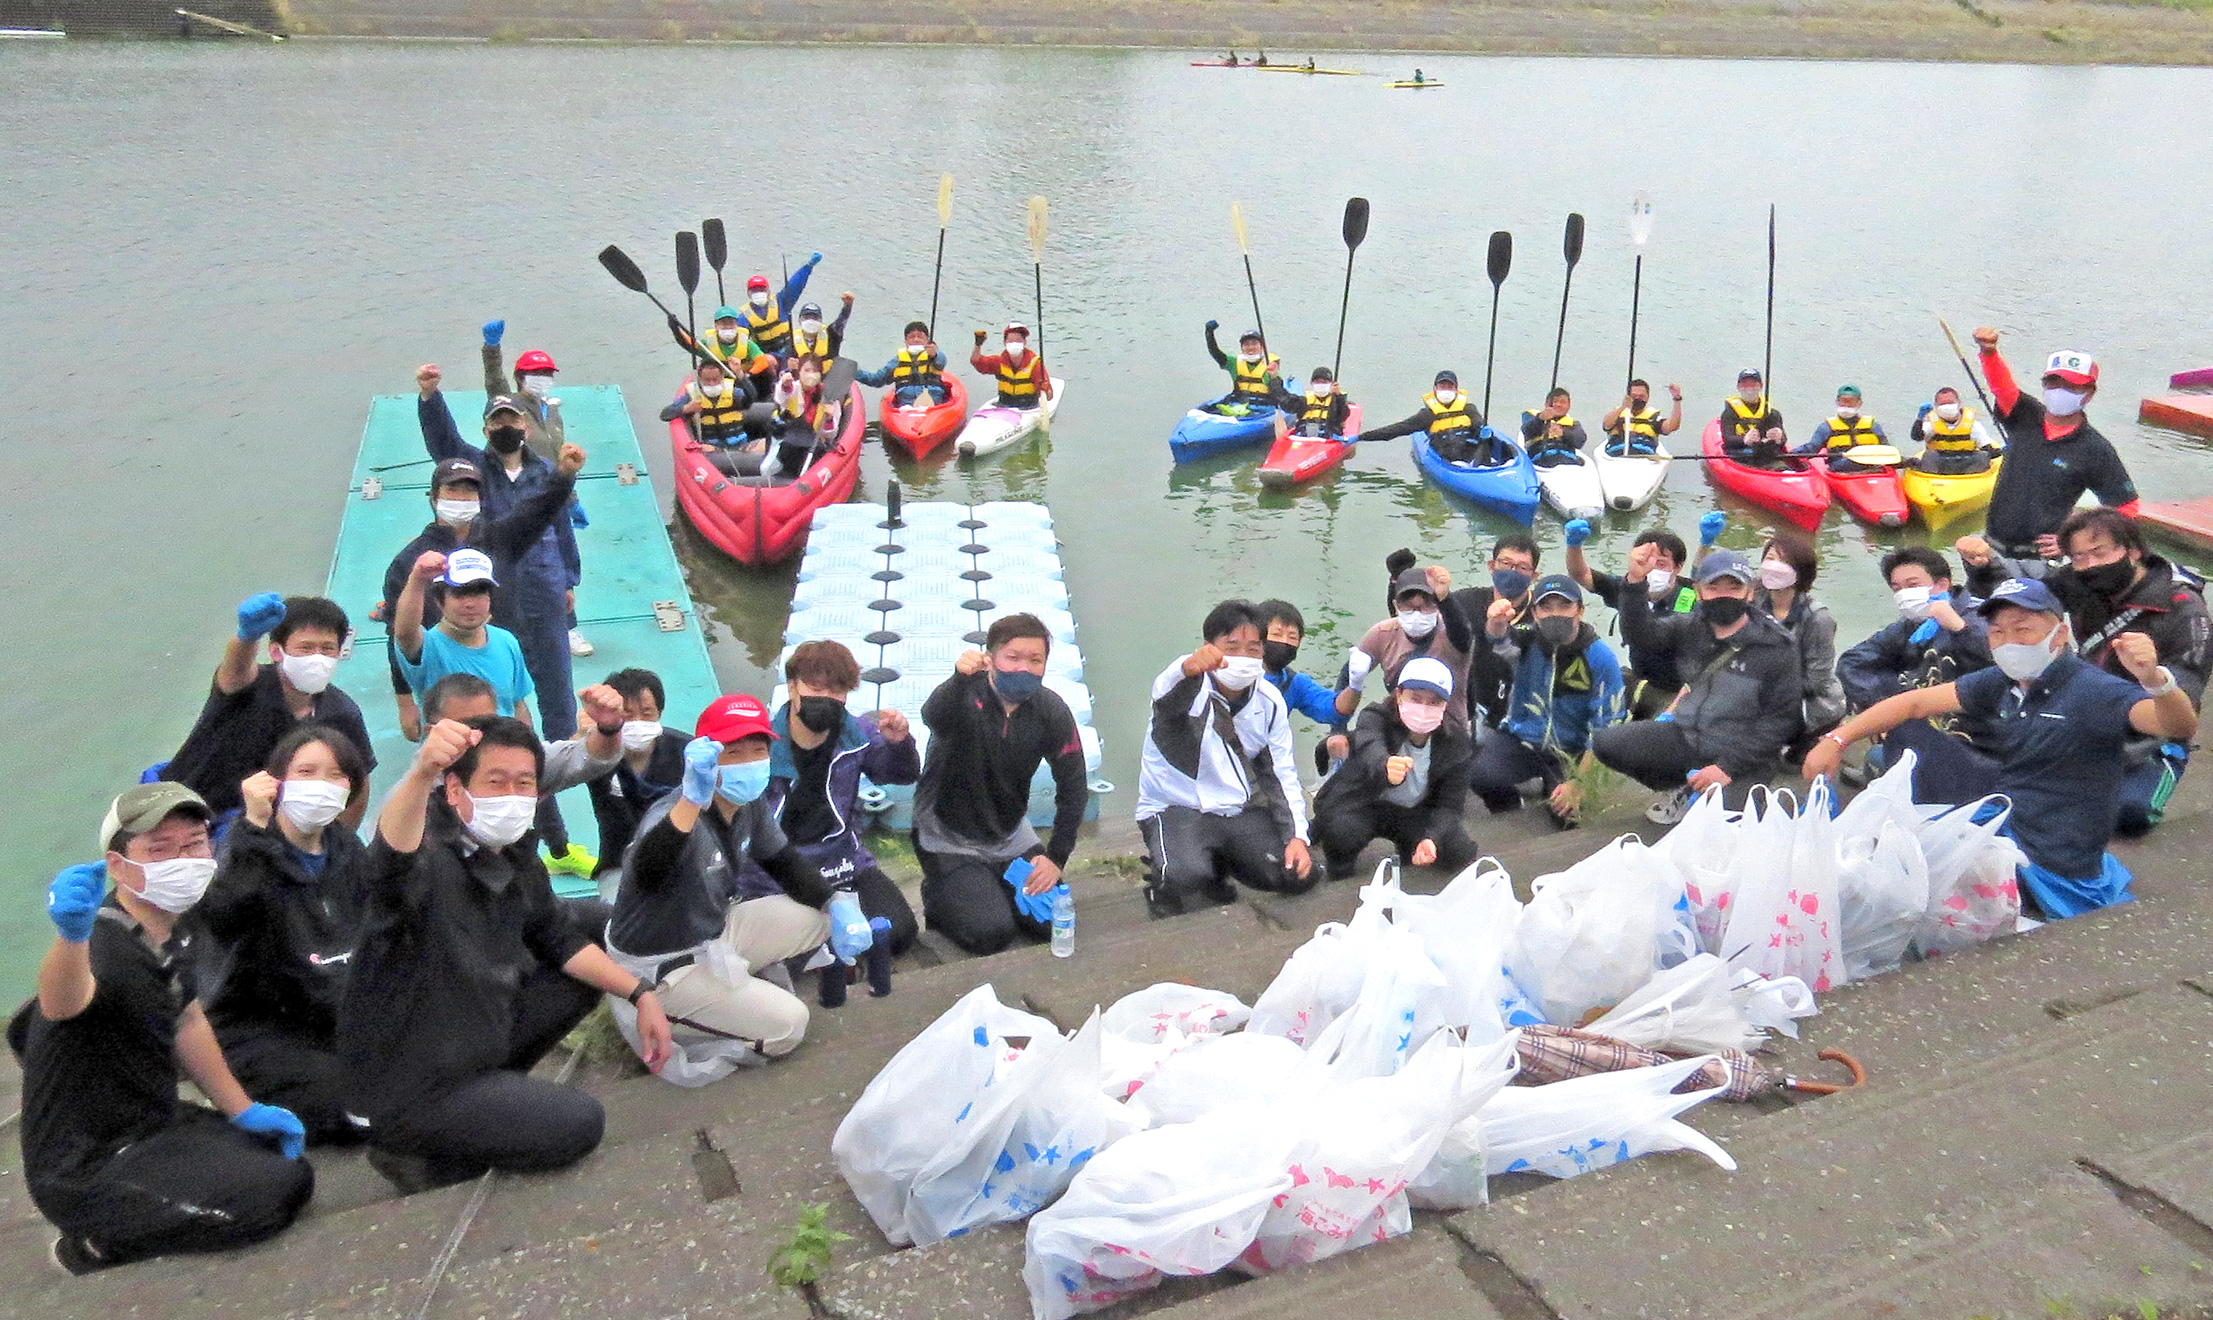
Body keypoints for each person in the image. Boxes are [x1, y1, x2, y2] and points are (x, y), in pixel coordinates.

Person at [340, 717, 672, 1192]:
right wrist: (419, 773)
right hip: (408, 1082)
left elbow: (555, 935)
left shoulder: (511, 850)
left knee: (583, 961)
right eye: (494, 782)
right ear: (453, 790)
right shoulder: (426, 854)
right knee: (579, 1123)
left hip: (466, 1042)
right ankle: (417, 1153)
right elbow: (392, 862)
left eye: (524, 783)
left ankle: (488, 1098)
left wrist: (642, 994)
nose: (511, 796)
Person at [12, 784, 312, 1273]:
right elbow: (61, 1003)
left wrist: (242, 1109)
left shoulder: (173, 927)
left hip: (154, 1122)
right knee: (269, 1201)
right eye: (159, 849)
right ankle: (92, 1245)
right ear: (117, 865)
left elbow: (186, 1017)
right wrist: (70, 936)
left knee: (279, 1159)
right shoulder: (105, 943)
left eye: (194, 843)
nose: (183, 859)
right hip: (89, 1163)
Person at [1804, 578, 2198, 918]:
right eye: (1997, 632)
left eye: (2023, 629)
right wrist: (1837, 739)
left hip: (2052, 856)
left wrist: (2156, 679)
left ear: (2059, 635)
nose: (2009, 642)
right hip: (2010, 818)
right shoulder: (2006, 679)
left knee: (1894, 892)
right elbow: (1914, 703)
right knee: (1907, 759)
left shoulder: (2094, 690)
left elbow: (2176, 724)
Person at [612, 695, 863, 1079]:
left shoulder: (747, 804)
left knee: (818, 916)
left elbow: (785, 863)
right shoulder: (675, 814)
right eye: (733, 752)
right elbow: (648, 873)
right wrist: (691, 801)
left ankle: (729, 997)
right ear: (706, 758)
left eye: (757, 750)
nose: (748, 762)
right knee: (790, 1026)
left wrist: (835, 901)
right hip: (660, 966)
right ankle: (679, 1023)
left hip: (712, 933)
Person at [1959, 507, 2210, 835]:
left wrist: (2155, 675)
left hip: (2148, 731)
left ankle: (2160, 769)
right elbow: (2020, 597)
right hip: (2085, 704)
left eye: (2099, 552)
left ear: (2132, 550)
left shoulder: (2185, 612)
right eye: (2078, 557)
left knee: (2126, 814)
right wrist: (1982, 565)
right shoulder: (2076, 580)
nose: (2089, 564)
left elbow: (2186, 698)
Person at [193, 727, 374, 1147]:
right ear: (276, 782)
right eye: (306, 772)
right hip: (260, 1030)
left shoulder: (345, 847)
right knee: (363, 1109)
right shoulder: (244, 849)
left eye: (336, 775)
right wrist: (254, 827)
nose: (320, 786)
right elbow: (222, 915)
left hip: (330, 1020)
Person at [416, 365, 582, 790]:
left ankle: (559, 758)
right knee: (502, 680)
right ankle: (499, 756)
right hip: (497, 591)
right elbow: (442, 443)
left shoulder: (544, 470)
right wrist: (431, 396)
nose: (506, 426)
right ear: (486, 428)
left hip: (545, 586)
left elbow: (558, 522)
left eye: (512, 419)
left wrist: (570, 579)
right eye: (497, 421)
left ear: (523, 424)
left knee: (557, 679)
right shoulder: (474, 465)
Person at [911, 614, 1091, 955]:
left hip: (1008, 834)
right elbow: (932, 716)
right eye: (1013, 657)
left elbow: (1074, 786)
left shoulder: (1050, 711)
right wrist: (957, 678)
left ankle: (988, 884)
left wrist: (1056, 857)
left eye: (1034, 660)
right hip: (947, 836)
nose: (1023, 668)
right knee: (991, 933)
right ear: (991, 659)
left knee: (1052, 922)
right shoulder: (964, 694)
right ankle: (938, 894)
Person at [378, 451, 582, 741]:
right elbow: (398, 634)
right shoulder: (409, 562)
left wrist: (563, 476)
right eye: (453, 490)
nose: (461, 498)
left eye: (469, 491)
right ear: (433, 498)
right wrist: (404, 700)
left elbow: (536, 512)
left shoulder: (500, 539)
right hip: (443, 675)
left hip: (497, 659)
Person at [1590, 550, 1805, 821]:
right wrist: (1634, 583)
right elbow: (1641, 636)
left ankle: (1757, 797)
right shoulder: (1690, 628)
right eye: (1713, 587)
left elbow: (1781, 721)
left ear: (1750, 592)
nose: (1723, 595)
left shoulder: (1776, 647)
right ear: (1698, 590)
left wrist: (1726, 768)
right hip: (1688, 736)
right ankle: (1682, 785)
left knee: (1726, 824)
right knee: (1606, 743)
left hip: (1744, 754)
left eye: (1734, 587)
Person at [1135, 601, 1314, 914]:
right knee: (1183, 878)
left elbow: (1282, 774)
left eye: (1253, 648)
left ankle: (1221, 862)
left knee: (1292, 875)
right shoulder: (1186, 687)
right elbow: (1166, 695)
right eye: (1231, 647)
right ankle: (1166, 879)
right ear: (1209, 648)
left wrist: (1297, 837)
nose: (1242, 658)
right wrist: (1187, 668)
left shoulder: (1269, 701)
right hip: (1178, 806)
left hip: (1237, 807)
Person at [744, 641, 922, 957]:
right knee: (796, 948)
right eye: (815, 687)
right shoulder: (761, 746)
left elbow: (899, 774)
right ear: (792, 687)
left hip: (843, 862)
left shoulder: (856, 733)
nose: (826, 699)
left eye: (837, 691)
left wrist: (900, 744)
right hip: (778, 872)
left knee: (897, 934)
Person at [162, 593, 374, 828]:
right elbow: (236, 669)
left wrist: (342, 842)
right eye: (306, 648)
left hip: (264, 828)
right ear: (276, 652)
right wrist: (247, 638)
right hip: (188, 813)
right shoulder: (249, 686)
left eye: (327, 649)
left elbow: (358, 780)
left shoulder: (342, 714)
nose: (318, 658)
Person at [1835, 546, 1997, 797]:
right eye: (1897, 588)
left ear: (1941, 585)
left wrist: (1959, 628)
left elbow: (2003, 664)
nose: (1903, 594)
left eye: (1912, 584)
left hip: (1977, 737)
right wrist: (1881, 707)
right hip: (1925, 724)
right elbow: (1852, 661)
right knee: (1880, 754)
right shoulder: (1910, 626)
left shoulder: (1983, 616)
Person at [1468, 575, 1627, 827]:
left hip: (1572, 750)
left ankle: (1557, 789)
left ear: (1580, 610)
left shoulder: (1600, 658)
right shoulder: (1526, 641)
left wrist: (1579, 782)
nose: (1556, 614)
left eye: (1564, 606)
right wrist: (1495, 622)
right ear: (1535, 613)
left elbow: (1608, 726)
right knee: (1478, 773)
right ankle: (1508, 806)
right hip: (1524, 741)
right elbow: (1499, 641)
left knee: (1567, 816)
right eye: (1546, 607)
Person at [1971, 326, 2138, 557]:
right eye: (2053, 383)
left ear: (2089, 393)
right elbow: (2002, 387)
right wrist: (1989, 353)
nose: (2060, 391)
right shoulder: (2024, 415)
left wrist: (2076, 541)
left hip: (2044, 560)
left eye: (2072, 386)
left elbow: (2126, 508)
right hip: (1990, 549)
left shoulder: (2095, 449)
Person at [1312, 656, 1477, 878]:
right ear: (1399, 695)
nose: (1423, 708)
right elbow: (1370, 744)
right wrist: (1385, 765)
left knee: (1458, 850)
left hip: (1414, 811)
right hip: (1366, 802)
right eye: (1415, 699)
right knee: (1340, 832)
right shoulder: (1375, 716)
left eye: (1434, 702)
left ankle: (1411, 851)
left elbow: (1450, 805)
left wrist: (1432, 838)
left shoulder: (1456, 742)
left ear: (1445, 705)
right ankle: (1339, 871)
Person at [1563, 517, 1708, 718]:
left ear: (1677, 567)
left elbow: (1704, 581)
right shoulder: (1627, 587)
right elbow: (1580, 574)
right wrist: (1574, 545)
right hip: (1637, 679)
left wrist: (1705, 545)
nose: (1652, 569)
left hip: (1677, 692)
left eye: (1661, 564)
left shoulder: (1691, 599)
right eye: (1646, 561)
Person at [1396, 535, 1541, 729]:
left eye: (1522, 568)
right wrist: (1397, 584)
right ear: (1491, 566)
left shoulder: (1541, 613)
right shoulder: (1464, 602)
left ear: (1534, 576)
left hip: (1514, 710)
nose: (1512, 571)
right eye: (1505, 563)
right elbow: (1417, 631)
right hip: (1463, 704)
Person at [394, 549, 535, 728]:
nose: (470, 603)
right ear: (439, 600)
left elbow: (517, 705)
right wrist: (418, 578)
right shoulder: (427, 647)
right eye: (459, 594)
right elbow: (404, 633)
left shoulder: (507, 641)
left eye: (478, 593)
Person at [1336, 565, 1476, 733]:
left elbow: (1463, 634)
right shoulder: (1382, 633)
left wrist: (1445, 598)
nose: (1417, 613)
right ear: (1395, 606)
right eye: (1408, 606)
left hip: (1449, 730)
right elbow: (1347, 675)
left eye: (1425, 606)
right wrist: (1338, 731)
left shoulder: (1451, 633)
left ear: (1436, 606)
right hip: (1398, 728)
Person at [587, 667, 694, 887]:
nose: (637, 721)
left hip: (681, 862)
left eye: (646, 714)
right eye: (627, 714)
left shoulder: (687, 751)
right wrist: (584, 734)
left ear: (659, 713)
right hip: (619, 865)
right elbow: (565, 765)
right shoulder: (596, 753)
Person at [1755, 535, 1845, 754]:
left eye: (1784, 563)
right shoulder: (1756, 597)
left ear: (1799, 572)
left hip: (1811, 702)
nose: (1774, 567)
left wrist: (1764, 687)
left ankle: (1806, 740)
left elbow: (1818, 680)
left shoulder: (1817, 618)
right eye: (1770, 558)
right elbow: (1710, 587)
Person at [1256, 599, 1348, 761]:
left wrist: (1355, 684)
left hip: (1270, 765)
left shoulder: (1292, 682)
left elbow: (1334, 710)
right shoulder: (1233, 674)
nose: (1284, 642)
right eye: (1276, 634)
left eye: (1292, 637)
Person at [1358, 369, 1495, 463]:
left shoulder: (1468, 408)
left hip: (1471, 457)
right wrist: (1362, 437)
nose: (1446, 389)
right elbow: (1396, 430)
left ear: (1456, 389)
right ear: (1435, 389)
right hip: (1446, 457)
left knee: (1483, 444)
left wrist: (1482, 428)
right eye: (1442, 386)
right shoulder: (1427, 416)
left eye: (1449, 386)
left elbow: (1477, 422)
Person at [479, 319, 564, 462]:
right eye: (536, 373)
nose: (542, 378)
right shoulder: (511, 405)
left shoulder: (552, 411)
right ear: (519, 377)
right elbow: (494, 377)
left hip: (549, 481)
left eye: (547, 373)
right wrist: (491, 347)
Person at [659, 356, 758, 446]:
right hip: (711, 447)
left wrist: (740, 374)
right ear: (700, 379)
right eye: (707, 380)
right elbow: (664, 414)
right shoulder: (693, 396)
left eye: (715, 379)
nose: (711, 384)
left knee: (762, 444)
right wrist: (686, 409)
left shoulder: (734, 393)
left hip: (739, 444)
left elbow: (751, 397)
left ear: (722, 378)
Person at [742, 254, 823, 360]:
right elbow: (738, 338)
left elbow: (795, 285)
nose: (759, 293)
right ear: (748, 293)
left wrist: (808, 267)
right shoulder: (744, 316)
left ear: (768, 291)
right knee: (769, 361)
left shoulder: (781, 302)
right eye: (755, 290)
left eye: (762, 289)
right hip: (767, 356)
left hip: (789, 350)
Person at [1792, 384, 1889, 472]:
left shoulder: (1872, 425)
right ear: (1837, 402)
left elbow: (1886, 448)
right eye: (1843, 401)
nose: (1846, 405)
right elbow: (1812, 448)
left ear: (1859, 403)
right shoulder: (1827, 427)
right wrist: (1791, 455)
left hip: (1871, 468)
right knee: (1849, 462)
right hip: (1841, 469)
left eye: (1851, 401)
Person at [1908, 386, 2001, 475]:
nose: (1947, 406)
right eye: (1943, 404)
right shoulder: (1931, 424)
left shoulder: (1973, 425)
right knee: (1930, 456)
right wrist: (1919, 420)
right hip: (1939, 467)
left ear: (1959, 403)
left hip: (1967, 466)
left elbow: (1987, 448)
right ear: (1936, 406)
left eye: (1950, 402)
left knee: (1982, 456)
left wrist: (2002, 451)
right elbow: (1917, 437)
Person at [855, 321, 948, 407]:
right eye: (911, 337)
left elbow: (941, 362)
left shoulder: (934, 355)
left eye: (920, 336)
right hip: (906, 406)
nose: (916, 340)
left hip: (932, 402)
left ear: (927, 340)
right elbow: (877, 380)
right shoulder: (897, 361)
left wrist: (935, 354)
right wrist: (854, 372)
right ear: (906, 341)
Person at [1201, 321, 1283, 412]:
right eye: (1246, 344)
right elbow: (1216, 353)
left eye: (1254, 343)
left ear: (1262, 347)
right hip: (1237, 406)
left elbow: (1278, 390)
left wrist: (1274, 377)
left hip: (1263, 409)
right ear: (1242, 348)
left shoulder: (1269, 364)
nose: (1250, 347)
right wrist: (1209, 333)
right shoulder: (1233, 362)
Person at [971, 321, 1053, 410]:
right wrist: (978, 345)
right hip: (1004, 407)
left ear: (1024, 342)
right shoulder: (999, 361)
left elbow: (1049, 397)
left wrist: (1045, 389)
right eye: (1010, 341)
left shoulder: (1035, 364)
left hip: (1028, 409)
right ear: (1005, 343)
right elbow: (976, 361)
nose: (1014, 344)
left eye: (1018, 340)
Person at [1718, 368, 1789, 466]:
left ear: (1760, 386)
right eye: (1745, 384)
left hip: (1766, 457)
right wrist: (1744, 439)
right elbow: (1727, 439)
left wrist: (1779, 437)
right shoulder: (1729, 413)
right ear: (1738, 387)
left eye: (1753, 384)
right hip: (1741, 458)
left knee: (1780, 466)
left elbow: (1783, 440)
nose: (1749, 388)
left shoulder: (1772, 413)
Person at [689, 305, 778, 380]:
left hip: (743, 377)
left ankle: (772, 388)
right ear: (716, 326)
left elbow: (762, 361)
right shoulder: (706, 343)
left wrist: (748, 375)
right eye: (723, 324)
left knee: (769, 360)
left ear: (736, 325)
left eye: (731, 323)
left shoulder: (747, 344)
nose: (727, 327)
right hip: (718, 380)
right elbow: (688, 344)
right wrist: (676, 328)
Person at [1601, 379, 1682, 455]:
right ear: (1628, 397)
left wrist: (1677, 399)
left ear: (1647, 397)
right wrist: (1623, 407)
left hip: (1644, 457)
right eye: (1634, 396)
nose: (1637, 399)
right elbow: (1606, 425)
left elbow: (1672, 426)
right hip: (1616, 455)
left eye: (1641, 396)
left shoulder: (1654, 418)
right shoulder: (1618, 414)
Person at [1273, 365, 1352, 437]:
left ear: (1331, 384)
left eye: (1324, 382)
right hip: (1304, 437)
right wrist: (1274, 379)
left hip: (1328, 438)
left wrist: (1338, 396)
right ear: (1312, 383)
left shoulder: (1335, 401)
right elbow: (1285, 399)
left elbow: (1342, 415)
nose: (1321, 384)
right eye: (1317, 382)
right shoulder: (1304, 400)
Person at [1520, 387, 1589, 467]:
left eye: (1563, 402)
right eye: (1555, 401)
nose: (1558, 405)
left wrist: (1563, 433)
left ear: (1568, 406)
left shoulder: (1573, 424)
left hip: (1568, 462)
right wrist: (1540, 419)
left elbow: (1580, 441)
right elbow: (1526, 431)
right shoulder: (1532, 418)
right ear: (1546, 404)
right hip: (1541, 461)